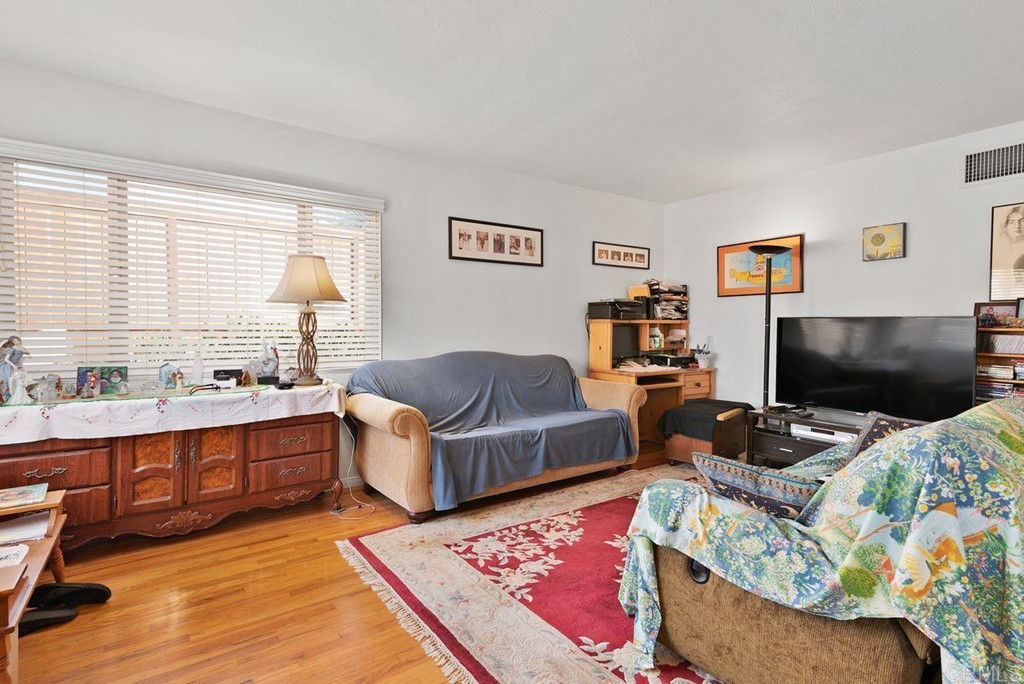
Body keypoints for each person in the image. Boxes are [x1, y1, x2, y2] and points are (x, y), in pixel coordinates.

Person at [0, 336, 28, 401]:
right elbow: (6, 359)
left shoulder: (20, 349)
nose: (17, 342)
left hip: (15, 366)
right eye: (14, 341)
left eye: (17, 340)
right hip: (8, 366)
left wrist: (25, 352)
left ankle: (15, 396)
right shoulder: (11, 349)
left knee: (18, 380)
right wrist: (13, 366)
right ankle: (7, 396)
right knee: (9, 380)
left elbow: (24, 356)